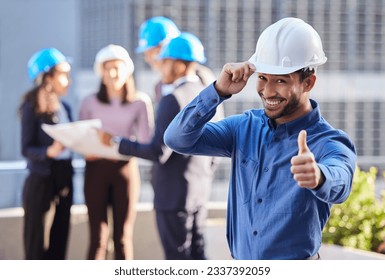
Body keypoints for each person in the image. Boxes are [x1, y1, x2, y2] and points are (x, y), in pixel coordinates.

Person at [164, 17, 357, 260]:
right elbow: (177, 138)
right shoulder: (244, 127)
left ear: (308, 82)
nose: (267, 91)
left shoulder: (328, 141)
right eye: (263, 78)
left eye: (280, 81)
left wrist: (319, 176)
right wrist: (218, 91)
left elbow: (341, 181)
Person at [98, 33, 223, 260]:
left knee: (177, 259)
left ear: (177, 64)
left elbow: (158, 151)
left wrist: (117, 143)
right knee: (198, 255)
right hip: (199, 191)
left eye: (163, 62)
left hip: (173, 196)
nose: (159, 68)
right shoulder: (207, 93)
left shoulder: (172, 99)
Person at [78, 44, 154, 260]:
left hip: (125, 172)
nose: (112, 73)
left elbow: (147, 142)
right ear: (100, 73)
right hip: (95, 170)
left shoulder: (140, 102)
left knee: (122, 238)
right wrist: (87, 150)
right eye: (107, 68)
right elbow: (81, 137)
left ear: (127, 70)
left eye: (116, 68)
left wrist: (115, 142)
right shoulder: (89, 102)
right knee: (98, 238)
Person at [19, 48, 73, 259]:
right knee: (36, 241)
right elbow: (26, 148)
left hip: (64, 177)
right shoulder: (31, 107)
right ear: (47, 77)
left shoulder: (65, 107)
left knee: (60, 238)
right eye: (63, 74)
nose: (68, 80)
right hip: (41, 178)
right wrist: (49, 151)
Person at [136, 16, 216, 105]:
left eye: (151, 53)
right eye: (146, 54)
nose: (148, 59)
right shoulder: (159, 86)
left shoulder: (202, 77)